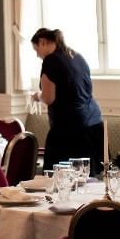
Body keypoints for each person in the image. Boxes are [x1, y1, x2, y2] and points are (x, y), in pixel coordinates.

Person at [30, 27, 104, 175]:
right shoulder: (76, 56)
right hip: (94, 123)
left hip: (69, 129)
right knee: (91, 178)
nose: (37, 55)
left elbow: (49, 98)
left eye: (36, 50)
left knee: (61, 179)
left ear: (42, 42)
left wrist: (38, 96)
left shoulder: (51, 61)